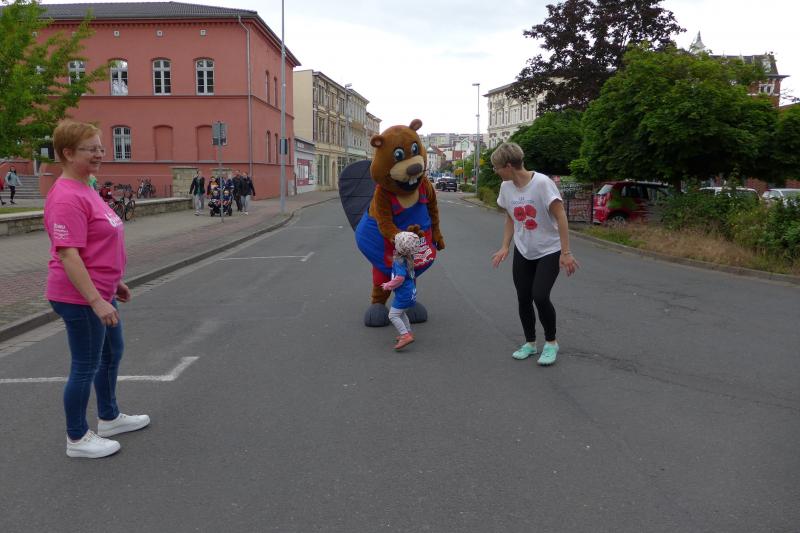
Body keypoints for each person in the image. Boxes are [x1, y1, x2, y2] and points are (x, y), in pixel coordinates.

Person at [44, 120, 150, 459]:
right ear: (67, 153)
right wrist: (95, 300)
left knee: (111, 353)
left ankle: (109, 417)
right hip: (79, 297)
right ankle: (76, 438)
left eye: (101, 148)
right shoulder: (66, 197)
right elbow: (68, 254)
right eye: (91, 149)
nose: (100, 154)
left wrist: (114, 282)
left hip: (101, 291)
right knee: (86, 364)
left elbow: (97, 243)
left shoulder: (86, 187)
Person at [490, 142, 579, 366]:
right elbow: (510, 217)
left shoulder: (542, 183)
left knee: (540, 295)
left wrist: (566, 252)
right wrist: (505, 246)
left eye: (496, 167)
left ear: (508, 166)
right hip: (524, 249)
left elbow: (561, 216)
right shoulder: (506, 187)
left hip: (549, 249)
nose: (496, 171)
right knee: (523, 297)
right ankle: (530, 343)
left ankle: (551, 342)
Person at [380, 231, 421, 350]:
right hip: (410, 292)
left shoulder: (399, 261)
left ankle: (405, 336)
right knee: (401, 313)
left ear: (399, 247)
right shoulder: (409, 257)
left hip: (404, 294)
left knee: (393, 315)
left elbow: (400, 278)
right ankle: (408, 332)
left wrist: (388, 285)